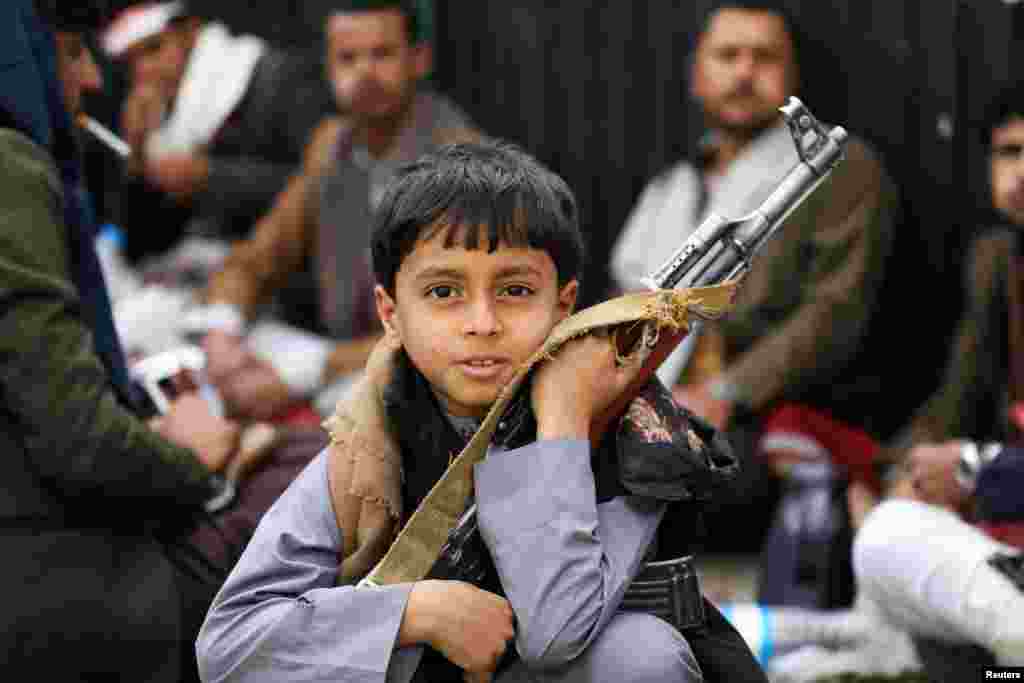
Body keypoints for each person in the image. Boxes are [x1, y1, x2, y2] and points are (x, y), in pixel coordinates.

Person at [197, 141, 770, 682]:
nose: (482, 323)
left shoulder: (632, 431)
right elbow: (228, 645)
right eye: (444, 292)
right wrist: (414, 612)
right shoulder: (365, 450)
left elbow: (555, 632)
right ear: (390, 313)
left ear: (563, 304)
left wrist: (563, 420)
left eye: (515, 291)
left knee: (637, 655)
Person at [609, 0, 901, 592]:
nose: (744, 71)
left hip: (764, 417)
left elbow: (832, 315)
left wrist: (726, 392)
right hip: (646, 400)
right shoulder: (673, 183)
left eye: (763, 57)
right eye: (727, 55)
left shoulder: (839, 172)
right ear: (697, 73)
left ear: (792, 77)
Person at [0, 1, 239, 679]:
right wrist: (198, 462)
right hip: (50, 591)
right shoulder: (7, 167)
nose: (94, 80)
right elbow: (79, 441)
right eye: (73, 53)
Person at [191, 0, 481, 424]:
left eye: (381, 54)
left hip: (429, 388)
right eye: (348, 58)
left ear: (418, 60)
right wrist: (222, 330)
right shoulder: (330, 145)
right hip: (337, 367)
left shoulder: (462, 163)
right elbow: (257, 259)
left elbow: (452, 325)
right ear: (327, 66)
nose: (364, 73)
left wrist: (309, 371)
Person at [852, 80, 1024, 669]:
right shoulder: (998, 261)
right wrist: (903, 473)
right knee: (887, 533)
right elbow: (956, 399)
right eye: (1010, 152)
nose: (1022, 173)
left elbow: (977, 463)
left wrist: (975, 471)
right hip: (1009, 536)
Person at [101, 0, 334, 262]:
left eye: (154, 49)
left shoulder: (275, 77)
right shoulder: (154, 115)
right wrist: (137, 153)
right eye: (131, 63)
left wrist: (208, 177)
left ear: (190, 32)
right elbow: (140, 245)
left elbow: (321, 187)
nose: (144, 70)